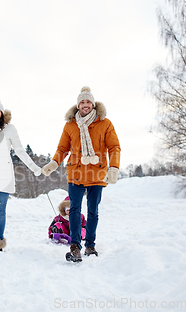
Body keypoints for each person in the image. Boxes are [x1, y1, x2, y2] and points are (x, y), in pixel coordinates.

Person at [41, 86, 121, 262]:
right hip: (75, 172)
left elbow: (114, 147)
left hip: (97, 173)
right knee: (74, 210)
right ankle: (75, 246)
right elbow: (62, 148)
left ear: (93, 104)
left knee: (93, 211)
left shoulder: (105, 123)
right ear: (78, 105)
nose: (85, 105)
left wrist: (113, 168)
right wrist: (53, 163)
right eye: (82, 102)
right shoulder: (70, 125)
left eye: (88, 102)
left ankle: (90, 245)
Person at [0, 98, 42, 252]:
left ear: (2, 113)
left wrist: (33, 167)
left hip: (5, 174)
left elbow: (19, 150)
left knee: (0, 209)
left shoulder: (10, 129)